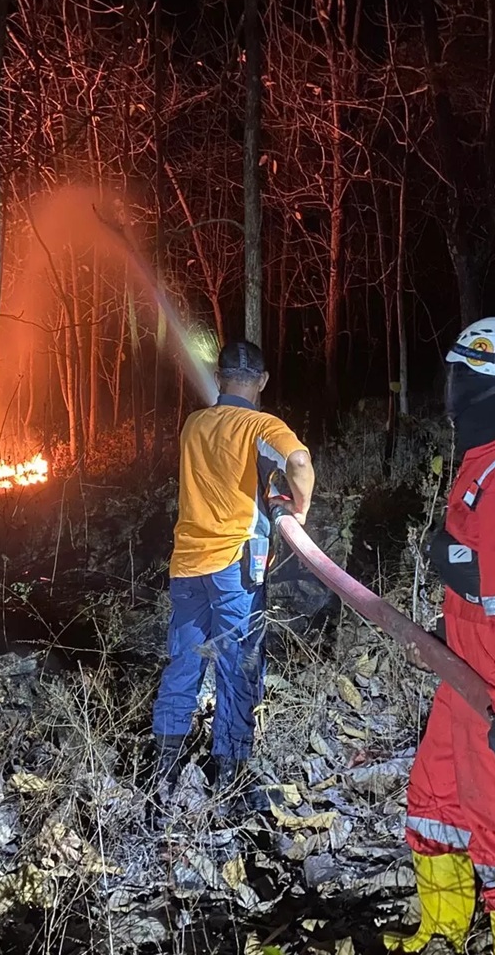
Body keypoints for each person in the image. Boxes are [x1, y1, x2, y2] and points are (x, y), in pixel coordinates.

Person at [388, 317, 495, 955]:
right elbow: (485, 583)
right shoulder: (483, 470)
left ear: (489, 385)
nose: (449, 387)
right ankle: (441, 928)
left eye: (459, 373)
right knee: (434, 799)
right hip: (463, 675)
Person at [150, 340, 315, 818]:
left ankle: (165, 774)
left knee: (182, 665)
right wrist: (298, 508)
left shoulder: (193, 425)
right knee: (236, 668)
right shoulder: (262, 425)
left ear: (219, 377)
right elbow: (298, 462)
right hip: (234, 567)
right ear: (262, 381)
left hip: (186, 566)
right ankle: (230, 777)